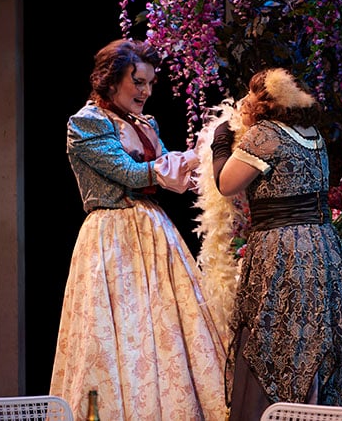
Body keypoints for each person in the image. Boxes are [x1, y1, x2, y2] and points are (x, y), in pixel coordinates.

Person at [50, 38, 227, 421]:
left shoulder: (145, 123)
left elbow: (168, 173)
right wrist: (185, 158)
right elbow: (129, 172)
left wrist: (206, 155)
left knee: (165, 327)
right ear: (111, 80)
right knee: (118, 330)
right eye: (138, 82)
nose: (146, 92)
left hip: (153, 229)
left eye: (150, 83)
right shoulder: (87, 123)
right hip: (111, 234)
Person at [210, 68, 342, 420]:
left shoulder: (264, 135)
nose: (245, 102)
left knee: (278, 336)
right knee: (315, 335)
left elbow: (226, 183)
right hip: (322, 247)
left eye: (251, 94)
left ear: (265, 101)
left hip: (282, 250)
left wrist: (220, 143)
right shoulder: (312, 135)